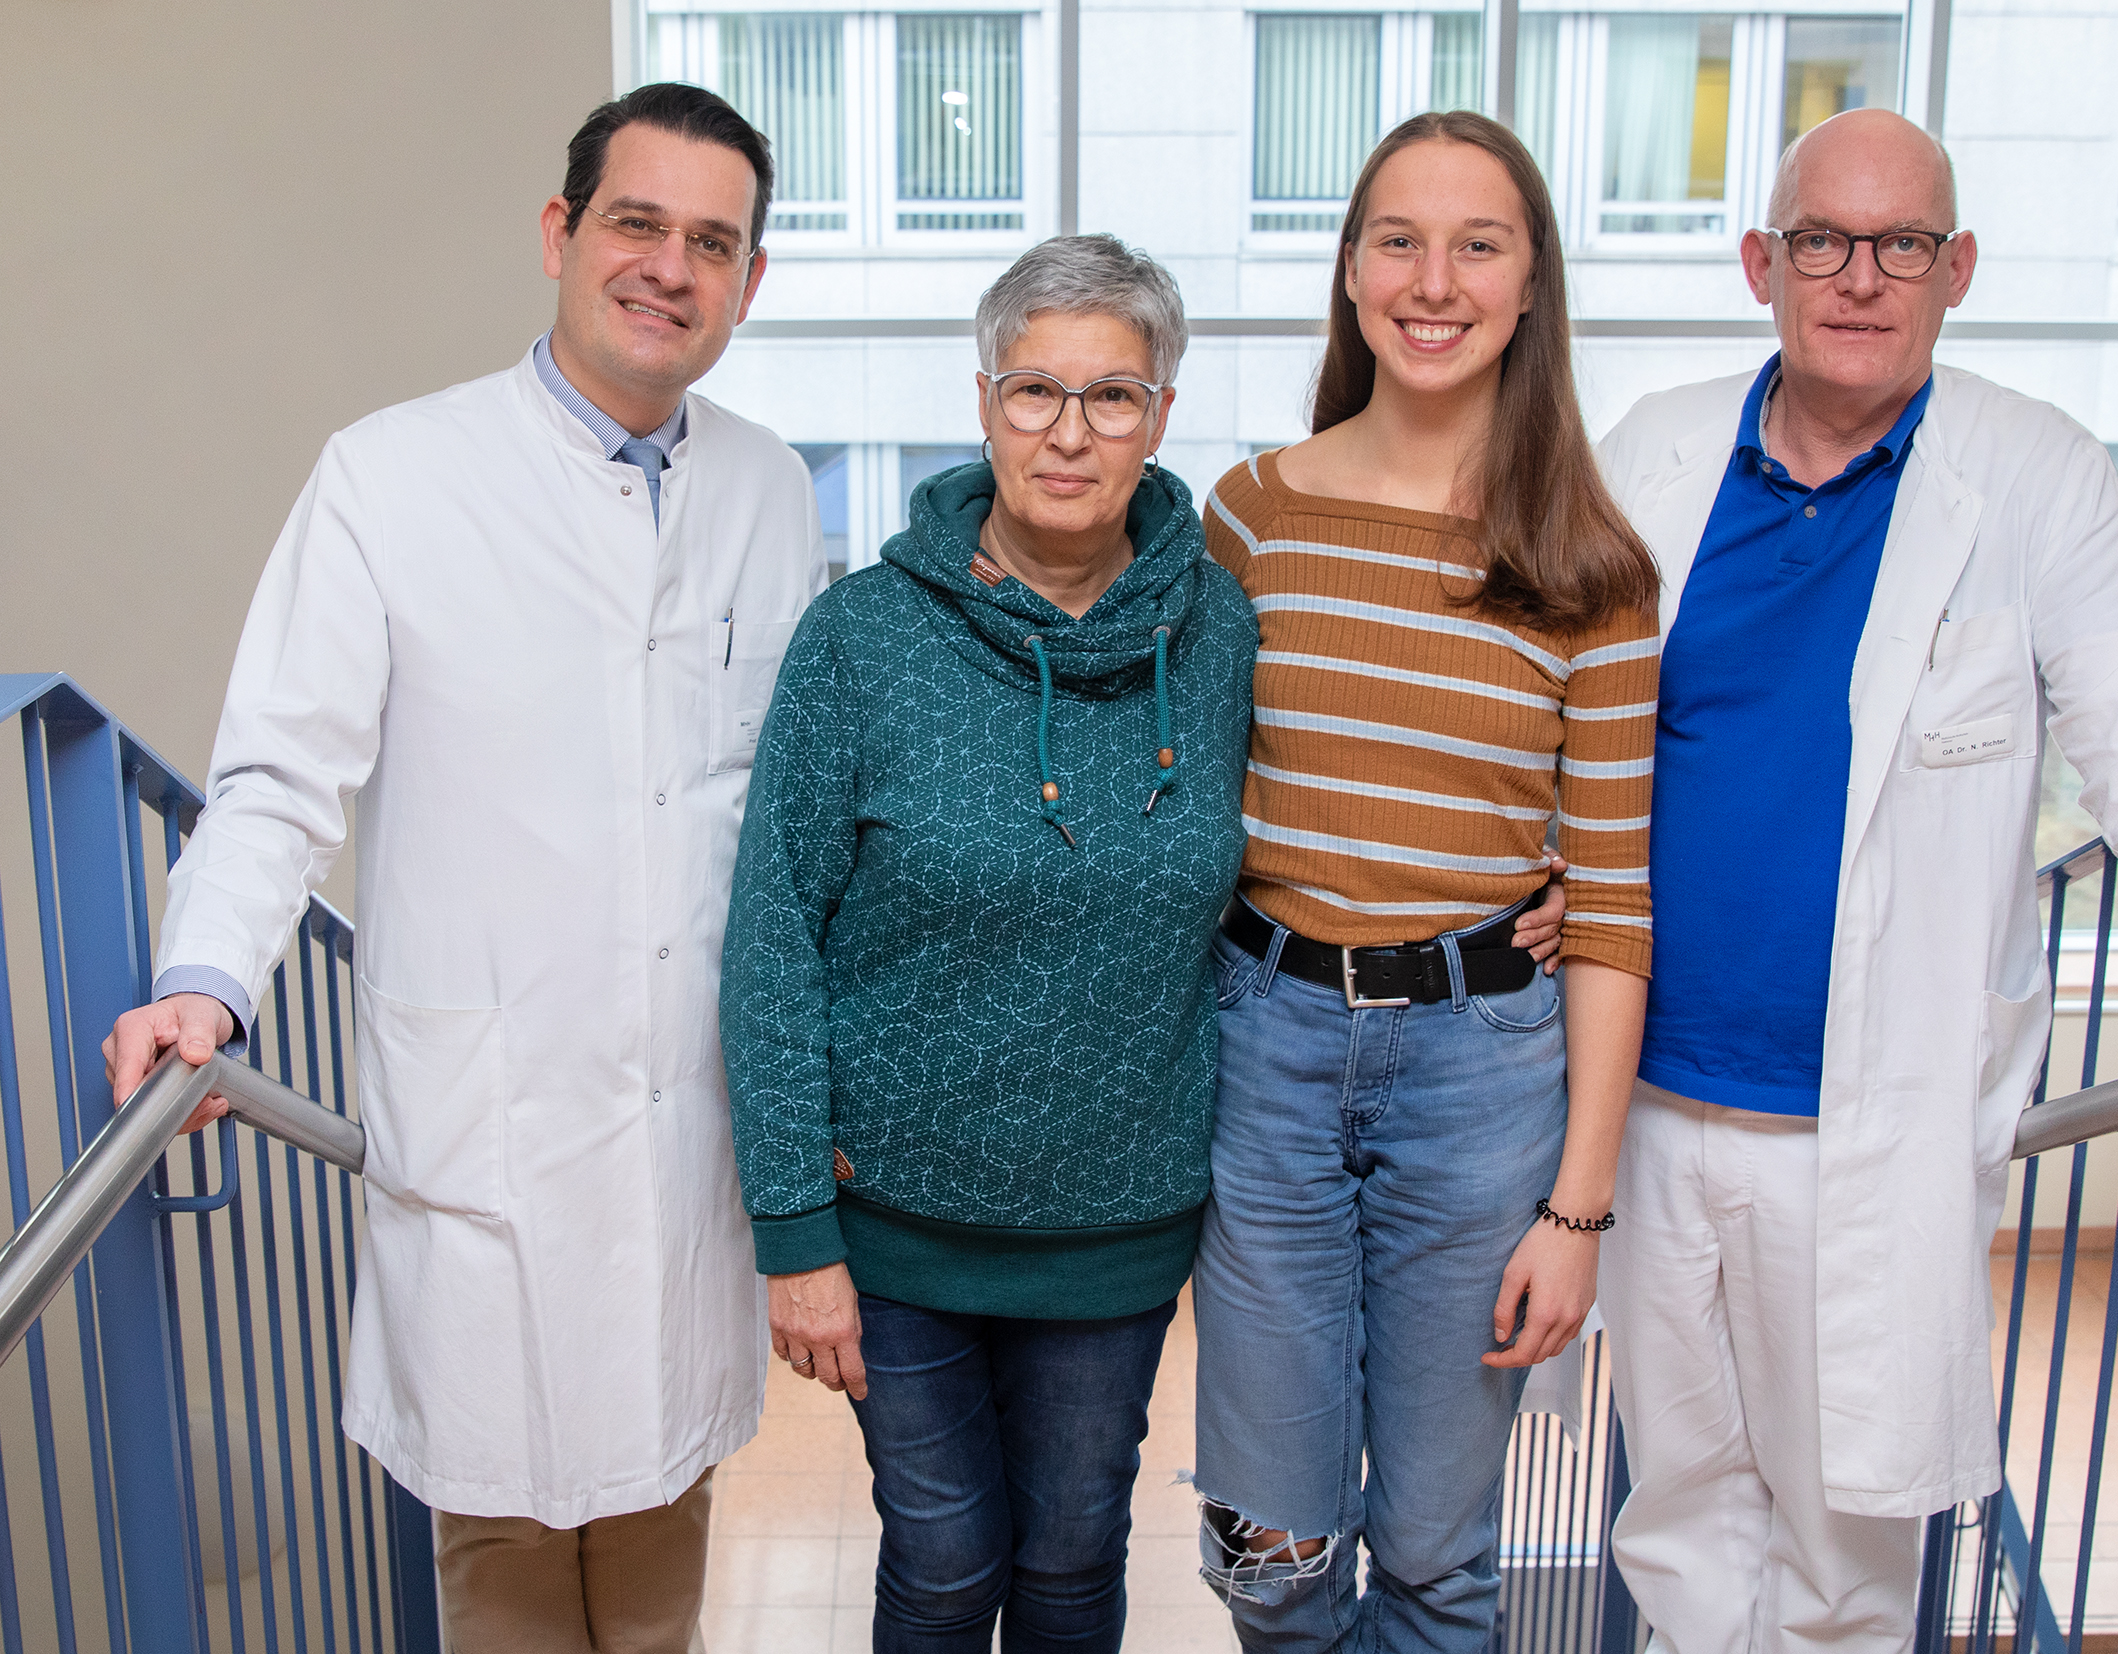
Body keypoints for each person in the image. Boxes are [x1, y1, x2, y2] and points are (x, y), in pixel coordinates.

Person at [1591, 107, 2118, 1654]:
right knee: (1679, 1524)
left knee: (1848, 1565)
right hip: (1642, 1105)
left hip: (1865, 1120)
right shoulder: (1655, 443)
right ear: (1759, 263)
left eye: (1901, 242)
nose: (1861, 278)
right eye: (1822, 243)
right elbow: (1559, 720)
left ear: (1957, 265)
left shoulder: (2032, 472)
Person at [100, 83, 827, 1653]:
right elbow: (280, 774)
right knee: (501, 1563)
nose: (670, 268)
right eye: (637, 223)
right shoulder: (391, 477)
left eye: (714, 242)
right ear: (562, 234)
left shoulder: (774, 493)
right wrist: (204, 983)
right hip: (491, 1127)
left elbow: (776, 816)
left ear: (750, 283)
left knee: (658, 1560)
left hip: (680, 1130)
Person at [719, 234, 1256, 1652]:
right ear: (982, 401)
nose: (1069, 431)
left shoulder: (1221, 636)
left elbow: (1305, 852)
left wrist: (1532, 879)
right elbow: (773, 932)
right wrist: (794, 1231)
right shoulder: (860, 638)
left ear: (1161, 413)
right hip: (894, 1224)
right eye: (1034, 389)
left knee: (1078, 1553)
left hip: (1120, 1219)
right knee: (949, 1558)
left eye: (1114, 395)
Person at [1188, 112, 1661, 1654]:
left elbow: (1610, 905)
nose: (1434, 278)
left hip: (1482, 1077)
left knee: (1443, 1566)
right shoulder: (1250, 517)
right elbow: (1178, 804)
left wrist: (1577, 1210)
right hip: (1265, 1047)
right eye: (1399, 237)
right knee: (1267, 1547)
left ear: (1532, 288)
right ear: (1347, 269)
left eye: (1481, 243)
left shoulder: (1591, 565)